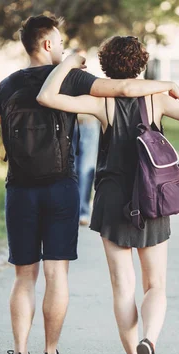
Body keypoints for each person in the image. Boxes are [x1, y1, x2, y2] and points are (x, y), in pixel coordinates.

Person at [0, 15, 179, 354]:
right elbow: (143, 95)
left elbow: (22, 119)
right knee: (69, 274)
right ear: (48, 43)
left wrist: (68, 62)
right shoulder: (91, 83)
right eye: (60, 43)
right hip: (95, 190)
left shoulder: (9, 84)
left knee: (33, 278)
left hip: (31, 188)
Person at [37, 36, 179, 354]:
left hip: (113, 198)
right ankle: (150, 343)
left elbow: (48, 97)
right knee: (155, 284)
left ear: (106, 67)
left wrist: (67, 63)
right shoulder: (156, 99)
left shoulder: (102, 101)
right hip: (153, 196)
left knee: (123, 288)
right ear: (141, 64)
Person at [70, 48, 100, 226]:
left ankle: (83, 211)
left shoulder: (90, 81)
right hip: (71, 128)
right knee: (71, 169)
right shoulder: (64, 80)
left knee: (86, 170)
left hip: (89, 128)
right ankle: (72, 210)